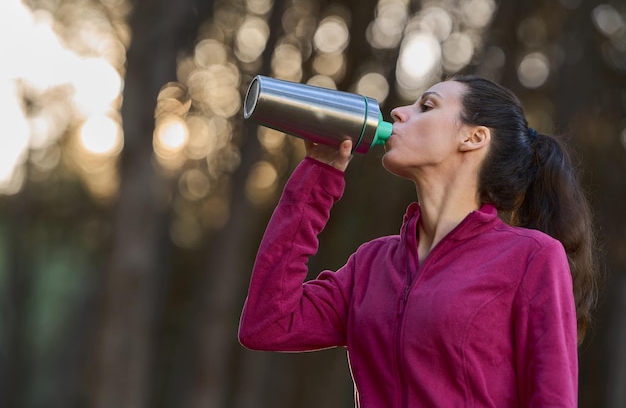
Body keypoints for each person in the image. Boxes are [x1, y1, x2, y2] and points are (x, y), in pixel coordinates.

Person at [238, 75, 598, 407]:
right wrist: (318, 174)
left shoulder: (531, 258)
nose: (398, 111)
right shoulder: (371, 263)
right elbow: (267, 323)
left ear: (473, 137)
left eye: (427, 106)